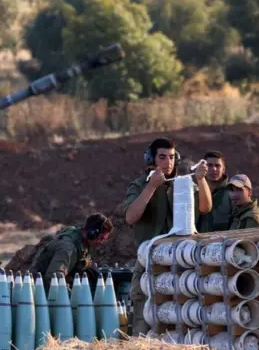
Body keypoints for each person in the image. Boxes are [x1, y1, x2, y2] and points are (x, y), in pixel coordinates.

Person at [116, 137, 211, 336]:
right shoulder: (140, 185)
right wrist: (151, 187)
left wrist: (201, 180)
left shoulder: (181, 184)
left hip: (178, 261)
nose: (168, 163)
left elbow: (205, 207)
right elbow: (131, 217)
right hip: (148, 262)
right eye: (162, 157)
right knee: (143, 319)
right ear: (151, 159)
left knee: (180, 318)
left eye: (171, 157)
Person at [30, 213, 113, 291]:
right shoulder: (69, 248)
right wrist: (73, 295)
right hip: (42, 293)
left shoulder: (81, 241)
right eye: (101, 238)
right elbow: (54, 278)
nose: (101, 242)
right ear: (92, 233)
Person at [197, 151, 234, 233]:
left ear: (223, 169)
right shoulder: (196, 192)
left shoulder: (232, 193)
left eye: (217, 166)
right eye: (209, 165)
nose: (214, 169)